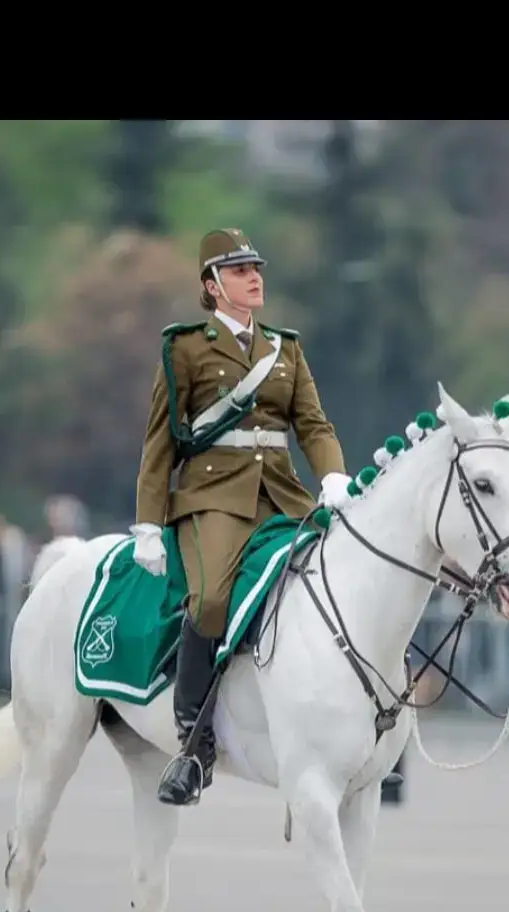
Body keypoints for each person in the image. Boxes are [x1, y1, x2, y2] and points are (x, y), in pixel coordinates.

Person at [132, 227, 355, 805]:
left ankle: (366, 735)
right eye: (238, 270)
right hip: (214, 497)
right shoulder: (186, 348)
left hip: (283, 493)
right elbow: (160, 443)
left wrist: (332, 474)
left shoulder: (286, 348)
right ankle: (193, 742)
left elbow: (314, 424)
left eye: (256, 267)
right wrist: (148, 524)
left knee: (347, 579)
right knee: (209, 600)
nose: (254, 277)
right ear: (212, 285)